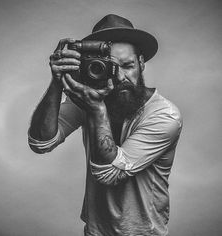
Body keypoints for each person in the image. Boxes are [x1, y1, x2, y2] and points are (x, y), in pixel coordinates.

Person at [28, 14, 182, 236]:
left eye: (128, 65)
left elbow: (109, 174)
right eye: (110, 66)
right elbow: (41, 142)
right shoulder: (89, 97)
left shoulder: (165, 115)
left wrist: (97, 109)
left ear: (141, 63)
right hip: (95, 230)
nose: (121, 77)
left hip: (143, 232)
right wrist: (57, 82)